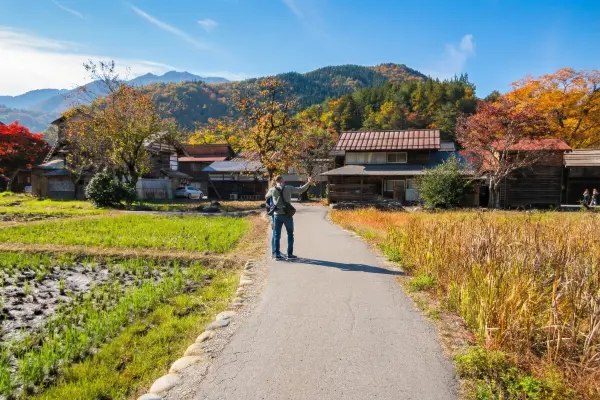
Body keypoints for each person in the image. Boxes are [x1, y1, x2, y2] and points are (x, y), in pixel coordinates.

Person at [265, 175, 312, 260]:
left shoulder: (272, 190)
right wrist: (308, 182)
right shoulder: (288, 188)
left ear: (276, 181)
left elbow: (266, 197)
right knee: (290, 234)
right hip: (287, 215)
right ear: (282, 181)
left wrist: (273, 197)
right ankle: (289, 254)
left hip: (277, 215)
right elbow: (300, 190)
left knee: (276, 235)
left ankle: (277, 255)